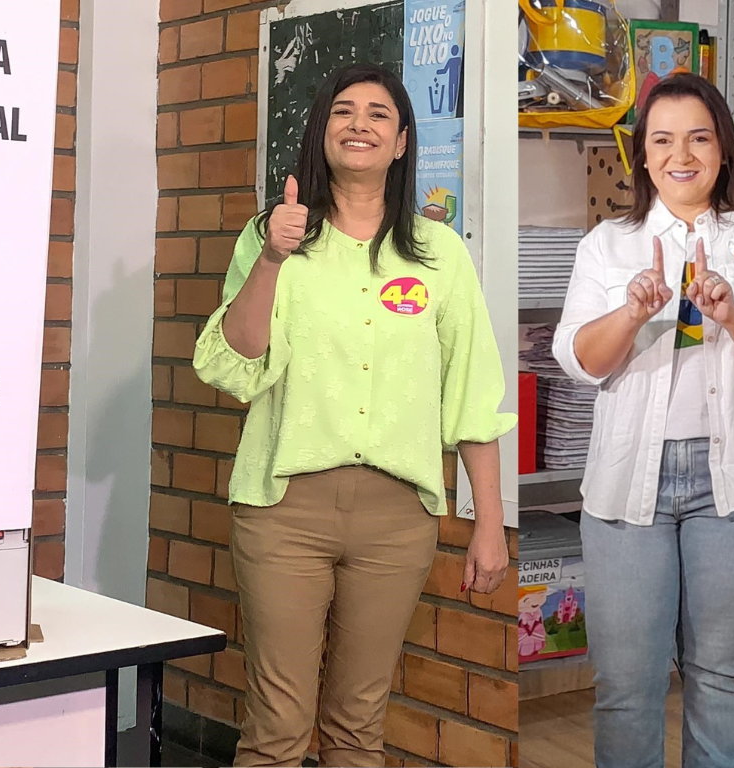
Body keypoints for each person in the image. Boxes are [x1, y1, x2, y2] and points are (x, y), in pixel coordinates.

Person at [193, 63, 514, 768]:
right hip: (285, 511)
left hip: (397, 519)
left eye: (378, 113)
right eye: (343, 111)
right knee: (278, 726)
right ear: (321, 131)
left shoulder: (440, 255)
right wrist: (273, 258)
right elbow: (235, 363)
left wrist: (489, 524)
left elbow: (472, 394)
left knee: (358, 727)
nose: (359, 123)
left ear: (401, 143)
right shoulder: (272, 237)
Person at [552, 73, 734, 768]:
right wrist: (632, 310)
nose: (682, 154)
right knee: (626, 684)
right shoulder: (608, 245)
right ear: (643, 156)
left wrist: (731, 313)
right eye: (663, 140)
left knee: (721, 673)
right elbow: (581, 360)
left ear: (723, 149)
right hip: (626, 485)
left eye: (699, 137)